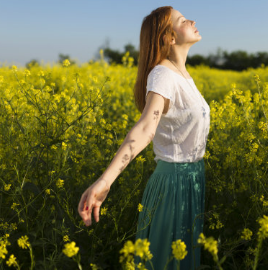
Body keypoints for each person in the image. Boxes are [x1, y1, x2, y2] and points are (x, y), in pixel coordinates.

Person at [78, 6, 210, 270]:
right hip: (174, 185)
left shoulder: (182, 74)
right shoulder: (162, 75)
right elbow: (144, 130)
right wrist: (106, 181)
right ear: (169, 37)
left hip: (192, 180)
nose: (193, 20)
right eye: (183, 21)